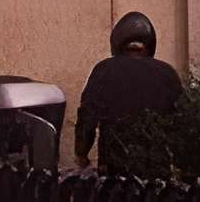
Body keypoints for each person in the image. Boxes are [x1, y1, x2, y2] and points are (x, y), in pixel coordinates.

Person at [73, 10, 183, 167]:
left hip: (115, 170)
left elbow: (87, 118)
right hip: (156, 169)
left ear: (117, 41)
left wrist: (81, 154)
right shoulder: (168, 73)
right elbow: (182, 123)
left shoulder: (104, 70)